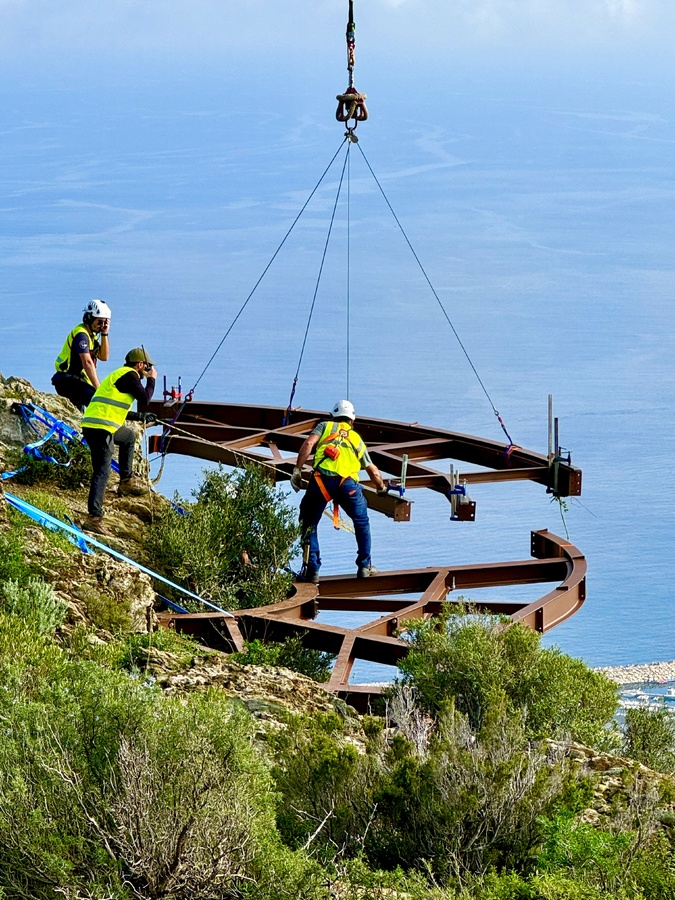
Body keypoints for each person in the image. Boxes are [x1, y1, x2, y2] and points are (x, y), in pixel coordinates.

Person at [291, 399, 387, 583]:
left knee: (308, 522)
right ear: (352, 421)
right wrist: (381, 488)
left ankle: (312, 570)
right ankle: (364, 566)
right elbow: (373, 470)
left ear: (332, 416)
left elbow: (308, 445)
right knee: (361, 523)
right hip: (347, 486)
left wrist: (297, 469)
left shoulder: (324, 426)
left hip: (321, 482)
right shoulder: (356, 439)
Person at [80, 347, 157, 536]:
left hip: (97, 425)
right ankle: (94, 518)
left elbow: (117, 407)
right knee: (102, 471)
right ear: (140, 365)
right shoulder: (130, 375)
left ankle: (126, 480)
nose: (148, 369)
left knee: (129, 437)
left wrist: (140, 416)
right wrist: (152, 379)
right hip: (101, 428)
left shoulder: (121, 376)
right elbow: (145, 398)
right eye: (147, 367)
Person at [51, 299, 112, 411]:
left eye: (105, 322)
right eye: (99, 322)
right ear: (89, 318)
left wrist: (105, 333)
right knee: (98, 401)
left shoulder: (91, 336)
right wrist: (98, 388)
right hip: (67, 379)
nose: (102, 325)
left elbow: (104, 356)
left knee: (80, 411)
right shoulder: (81, 335)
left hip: (76, 380)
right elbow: (87, 362)